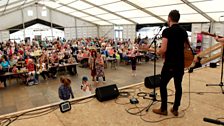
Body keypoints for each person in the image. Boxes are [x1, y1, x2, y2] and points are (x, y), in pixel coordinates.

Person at [152, 10, 189, 116]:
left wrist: (159, 52)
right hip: (180, 64)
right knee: (178, 86)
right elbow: (187, 46)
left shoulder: (167, 31)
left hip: (169, 64)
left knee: (162, 85)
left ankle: (163, 109)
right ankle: (175, 109)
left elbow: (163, 49)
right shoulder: (183, 31)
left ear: (169, 18)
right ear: (178, 19)